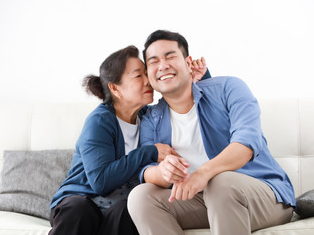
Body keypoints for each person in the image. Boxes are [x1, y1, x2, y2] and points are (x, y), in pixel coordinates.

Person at [127, 30, 296, 235]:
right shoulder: (151, 119)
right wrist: (163, 172)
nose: (162, 65)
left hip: (264, 196)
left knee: (221, 182)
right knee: (140, 197)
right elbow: (147, 169)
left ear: (188, 63)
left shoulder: (229, 88)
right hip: (203, 200)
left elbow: (246, 143)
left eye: (170, 56)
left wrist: (203, 174)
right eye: (153, 61)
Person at [48, 45, 209, 235]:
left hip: (119, 205)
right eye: (138, 76)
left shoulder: (150, 117)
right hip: (80, 199)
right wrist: (150, 152)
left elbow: (188, 107)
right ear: (115, 88)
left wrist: (200, 79)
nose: (148, 81)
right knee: (80, 210)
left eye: (146, 73)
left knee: (131, 210)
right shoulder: (100, 121)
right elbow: (100, 181)